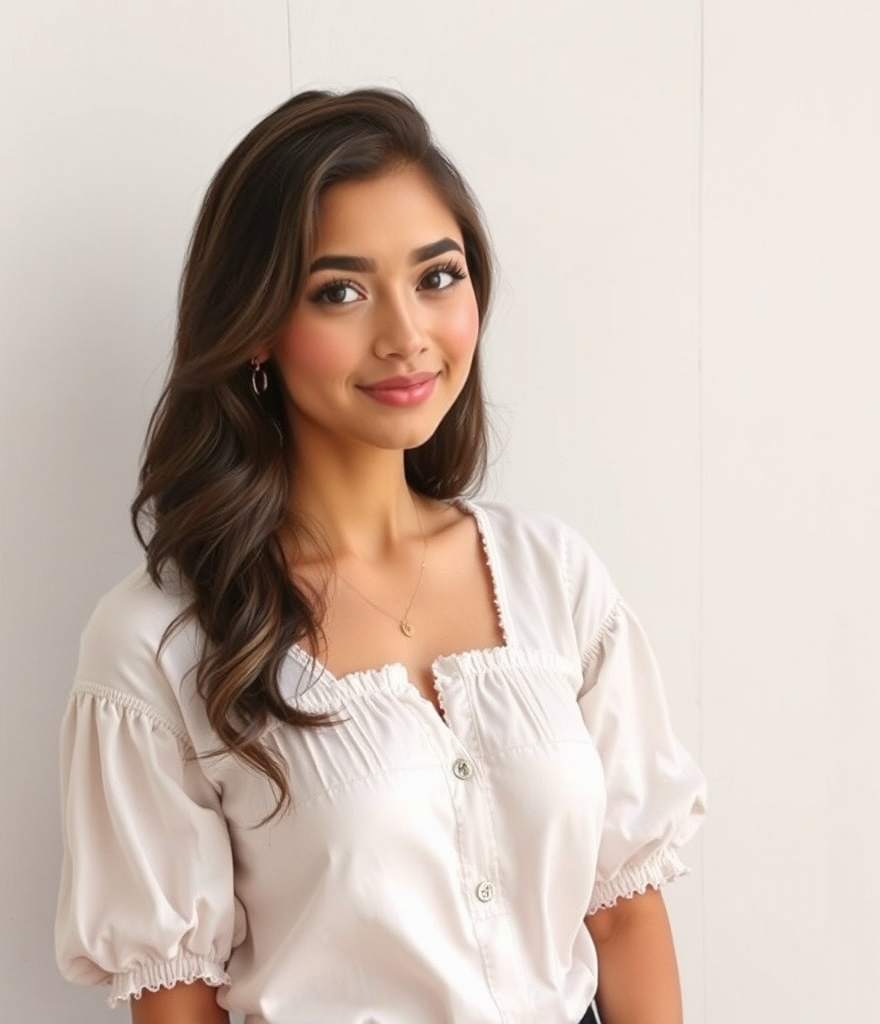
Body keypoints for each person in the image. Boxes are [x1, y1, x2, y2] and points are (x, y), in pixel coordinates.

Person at [54, 88, 706, 1024]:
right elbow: (176, 998)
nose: (406, 335)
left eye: (436, 276)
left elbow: (626, 918)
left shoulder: (553, 578)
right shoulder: (159, 644)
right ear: (256, 332)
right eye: (340, 291)